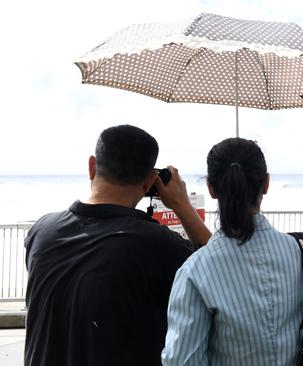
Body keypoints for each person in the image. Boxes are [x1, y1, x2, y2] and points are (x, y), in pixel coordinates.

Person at [24, 125, 212, 366]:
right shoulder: (157, 245)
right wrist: (182, 204)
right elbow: (221, 269)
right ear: (149, 182)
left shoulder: (41, 232)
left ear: (92, 166)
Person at [161, 138, 303, 365]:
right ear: (266, 184)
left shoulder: (195, 271)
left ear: (211, 188)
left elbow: (181, 361)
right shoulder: (295, 250)